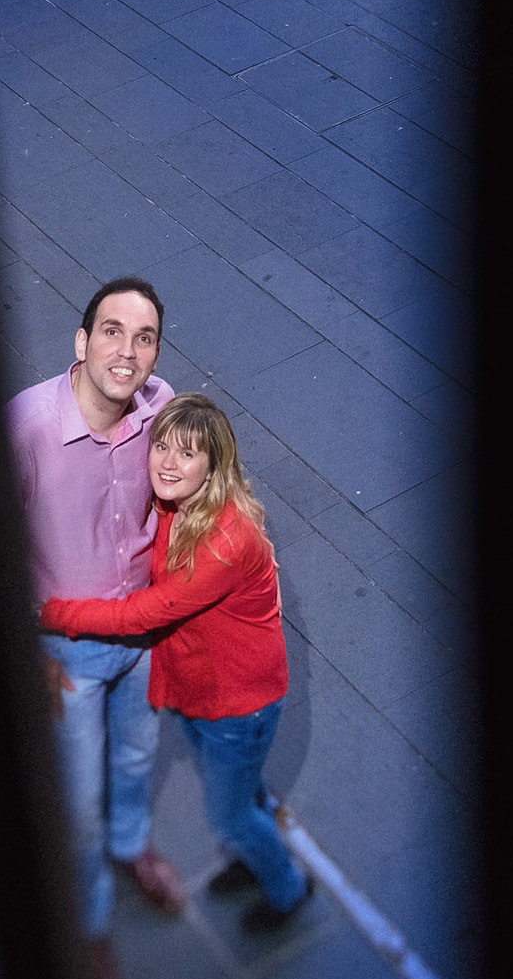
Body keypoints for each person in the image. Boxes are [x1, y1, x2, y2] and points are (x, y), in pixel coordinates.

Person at [38, 394, 313, 935]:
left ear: (214, 464)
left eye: (187, 454)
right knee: (244, 791)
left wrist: (53, 611)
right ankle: (253, 852)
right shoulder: (179, 505)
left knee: (229, 813)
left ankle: (286, 887)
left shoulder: (224, 541)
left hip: (238, 704)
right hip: (201, 689)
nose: (167, 461)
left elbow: (146, 612)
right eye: (161, 445)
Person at [5, 281, 187, 979]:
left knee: (137, 756)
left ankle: (131, 845)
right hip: (66, 650)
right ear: (79, 343)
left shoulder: (158, 405)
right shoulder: (26, 425)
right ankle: (87, 922)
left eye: (142, 337)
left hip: (142, 633)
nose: (127, 350)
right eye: (111, 331)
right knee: (75, 801)